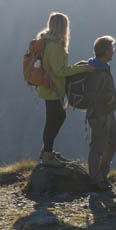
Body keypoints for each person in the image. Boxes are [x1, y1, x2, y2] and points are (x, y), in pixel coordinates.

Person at [36, 12, 93, 167]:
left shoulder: (46, 41)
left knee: (58, 117)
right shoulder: (55, 46)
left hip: (48, 87)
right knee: (54, 120)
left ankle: (47, 151)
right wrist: (82, 69)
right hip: (52, 89)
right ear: (63, 27)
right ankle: (47, 154)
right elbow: (60, 71)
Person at [85, 35, 116, 192]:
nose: (113, 51)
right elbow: (89, 96)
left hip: (108, 113)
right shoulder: (95, 70)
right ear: (105, 51)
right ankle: (96, 181)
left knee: (115, 140)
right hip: (99, 115)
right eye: (112, 48)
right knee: (97, 148)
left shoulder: (102, 67)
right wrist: (107, 97)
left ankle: (101, 173)